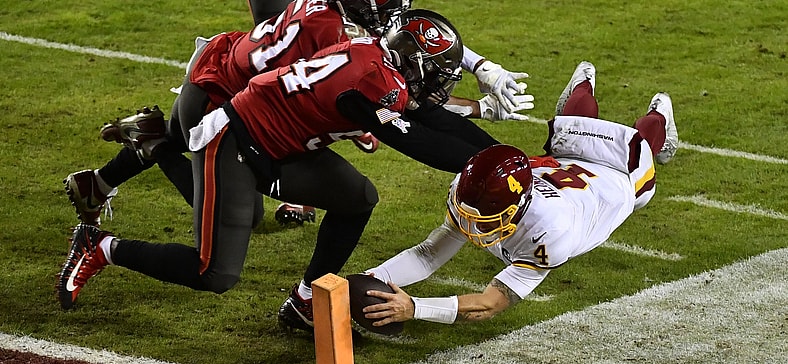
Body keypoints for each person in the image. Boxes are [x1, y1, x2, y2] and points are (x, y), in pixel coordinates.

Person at [54, 10, 516, 331]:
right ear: (412, 65)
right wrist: (486, 163)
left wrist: (510, 157)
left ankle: (305, 301)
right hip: (236, 139)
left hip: (284, 143)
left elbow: (432, 119)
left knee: (357, 198)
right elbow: (417, 141)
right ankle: (101, 245)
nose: (441, 87)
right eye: (438, 75)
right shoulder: (371, 80)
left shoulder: (378, 63)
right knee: (215, 272)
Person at [64, 0, 531, 227]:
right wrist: (479, 108)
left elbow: (408, 46)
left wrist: (479, 66)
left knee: (192, 133)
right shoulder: (344, 37)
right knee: (240, 213)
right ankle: (151, 143)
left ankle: (98, 182)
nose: (394, 19)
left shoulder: (335, 18)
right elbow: (402, 96)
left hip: (233, 71)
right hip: (224, 96)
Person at [359, 60, 679, 327]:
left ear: (519, 207)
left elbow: (489, 304)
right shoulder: (469, 191)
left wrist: (415, 307)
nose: (474, 225)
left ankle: (661, 114)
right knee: (572, 127)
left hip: (618, 179)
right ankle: (583, 84)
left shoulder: (552, 231)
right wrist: (369, 277)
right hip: (564, 165)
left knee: (643, 143)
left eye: (487, 217)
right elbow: (429, 253)